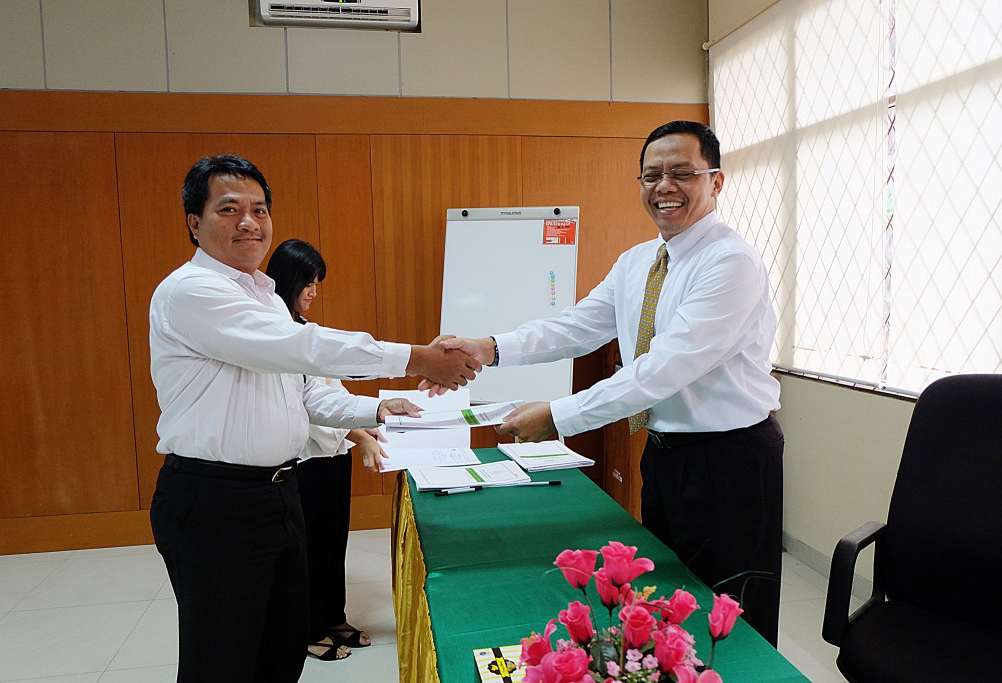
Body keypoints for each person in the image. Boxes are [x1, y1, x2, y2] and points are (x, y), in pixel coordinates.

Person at [426, 121, 784, 645]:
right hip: (664, 454)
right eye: (651, 175)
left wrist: (557, 416)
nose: (664, 187)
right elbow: (576, 327)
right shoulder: (637, 261)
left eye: (682, 173)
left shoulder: (730, 262)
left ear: (717, 181)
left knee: (731, 615)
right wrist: (491, 347)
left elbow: (661, 370)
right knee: (671, 601)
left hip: (730, 461)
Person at [148, 154, 481, 683]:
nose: (248, 222)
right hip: (216, 500)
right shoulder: (192, 291)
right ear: (194, 222)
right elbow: (301, 348)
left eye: (259, 209)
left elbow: (304, 395)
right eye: (229, 209)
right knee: (223, 661)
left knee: (281, 652)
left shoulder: (264, 296)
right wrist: (417, 357)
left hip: (280, 493)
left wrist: (376, 408)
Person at [266, 238, 382, 661]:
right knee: (308, 549)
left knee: (334, 544)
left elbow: (333, 393)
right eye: (308, 283)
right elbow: (306, 406)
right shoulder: (274, 334)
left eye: (318, 283)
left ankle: (333, 616)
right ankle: (306, 630)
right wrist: (361, 432)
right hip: (304, 460)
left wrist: (364, 428)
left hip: (333, 457)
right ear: (287, 280)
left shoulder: (305, 330)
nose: (314, 292)